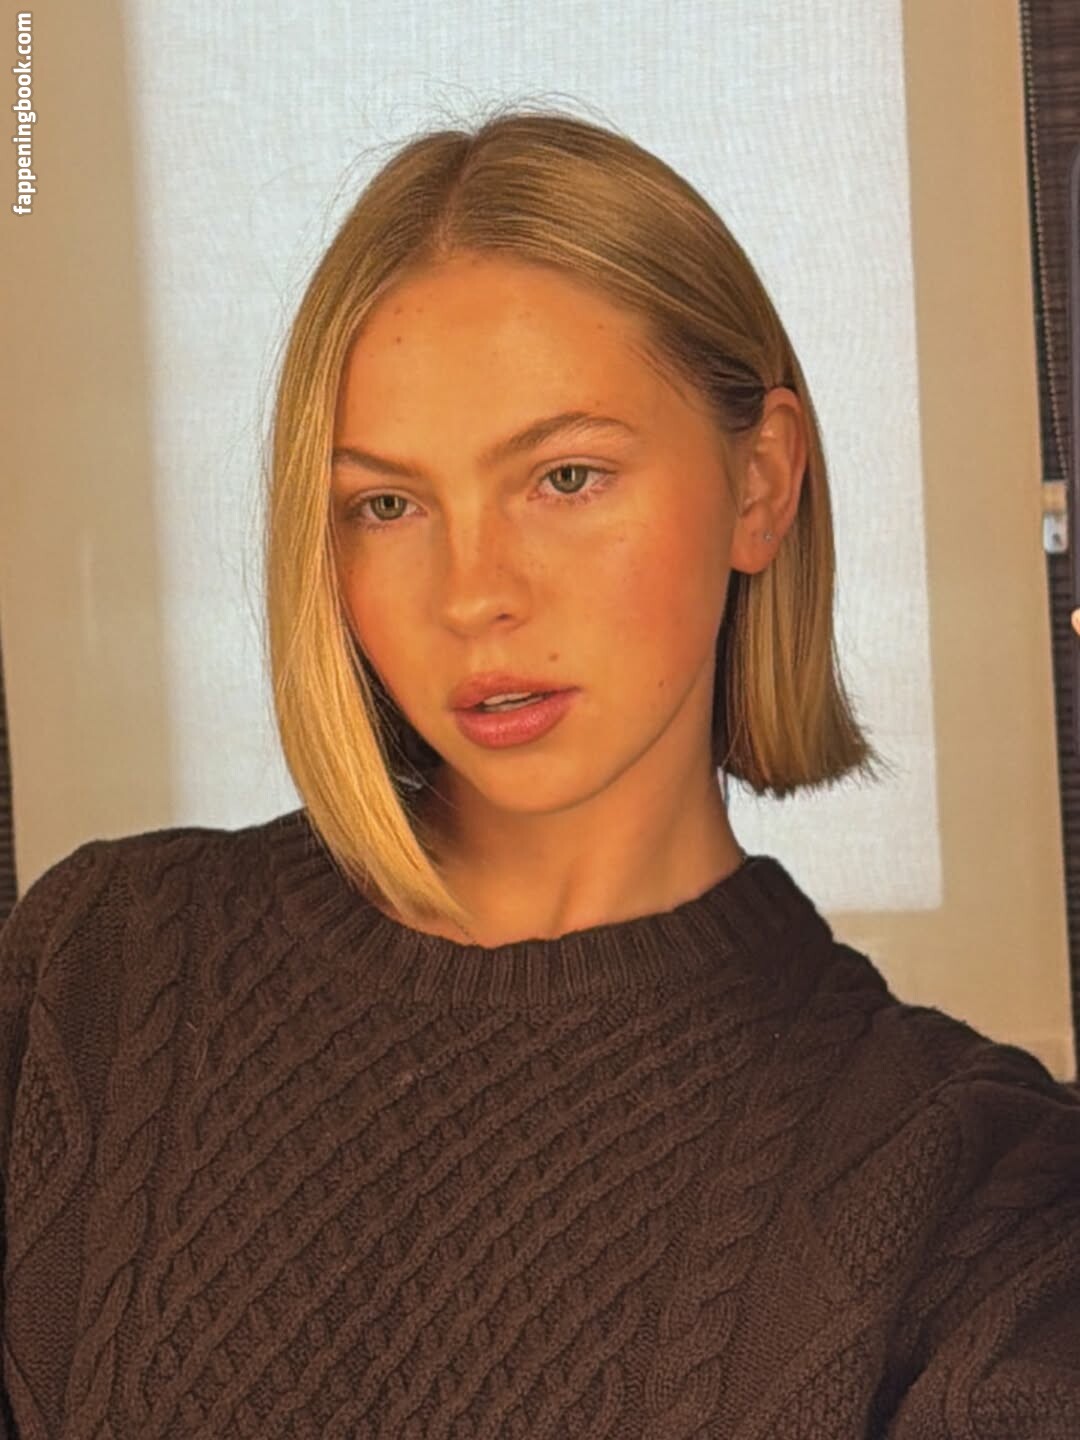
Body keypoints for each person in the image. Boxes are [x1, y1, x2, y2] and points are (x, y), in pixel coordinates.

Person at [1, 104, 1078, 1440]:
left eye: (565, 477)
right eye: (387, 504)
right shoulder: (101, 975)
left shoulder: (970, 1194)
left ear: (760, 484)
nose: (474, 595)